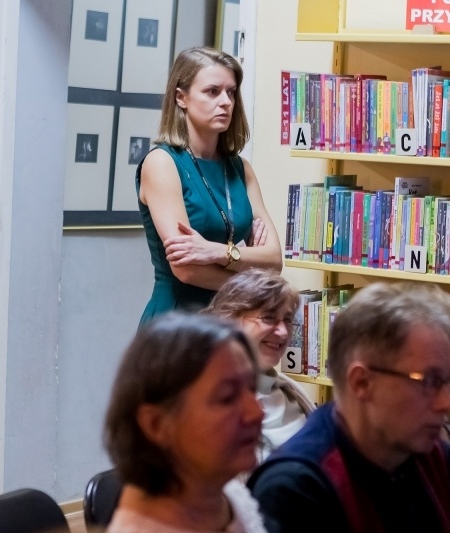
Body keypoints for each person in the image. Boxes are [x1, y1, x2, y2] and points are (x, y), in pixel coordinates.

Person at [247, 281, 450, 532]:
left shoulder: (434, 457)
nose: (447, 403)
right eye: (430, 381)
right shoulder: (294, 488)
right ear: (361, 382)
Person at [136, 46, 282, 324]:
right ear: (181, 98)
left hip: (227, 319)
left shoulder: (240, 168)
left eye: (231, 92)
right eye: (212, 91)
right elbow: (187, 270)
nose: (226, 102)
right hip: (176, 321)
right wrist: (251, 274)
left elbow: (274, 261)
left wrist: (215, 252)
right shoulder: (162, 163)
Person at [104, 312, 267, 533]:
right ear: (156, 425)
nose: (256, 412)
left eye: (252, 388)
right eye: (227, 397)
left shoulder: (232, 497)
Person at [205, 269, 316, 463]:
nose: (282, 332)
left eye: (288, 320)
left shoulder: (290, 391)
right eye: (268, 318)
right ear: (229, 319)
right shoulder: (208, 401)